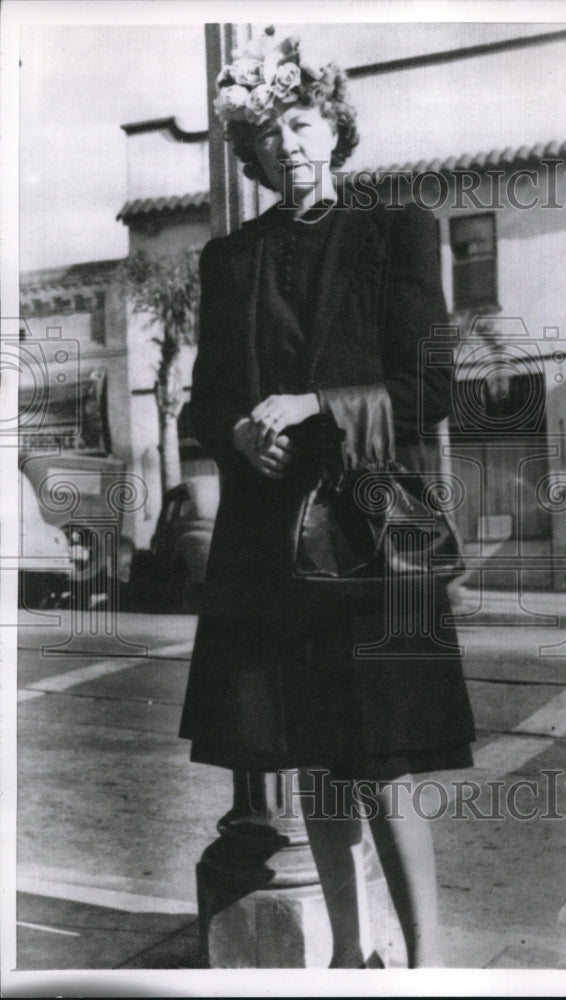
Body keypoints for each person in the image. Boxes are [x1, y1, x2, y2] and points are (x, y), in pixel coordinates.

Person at [179, 27, 475, 969]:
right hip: (271, 542)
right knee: (312, 760)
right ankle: (349, 959)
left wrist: (313, 405)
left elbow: (430, 390)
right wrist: (235, 432)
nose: (290, 149)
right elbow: (206, 401)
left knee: (384, 768)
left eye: (303, 126)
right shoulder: (232, 260)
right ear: (252, 154)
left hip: (370, 538)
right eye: (269, 138)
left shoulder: (394, 231)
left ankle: (425, 964)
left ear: (333, 127)